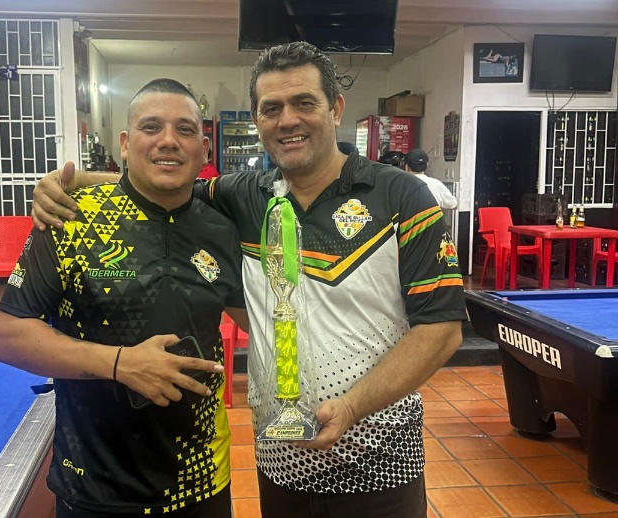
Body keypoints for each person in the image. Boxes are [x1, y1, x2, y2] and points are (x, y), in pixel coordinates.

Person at [31, 41, 466, 518]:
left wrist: (350, 407)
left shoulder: (402, 196)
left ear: (335, 108)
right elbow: (166, 182)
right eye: (271, 108)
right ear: (258, 120)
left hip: (381, 460)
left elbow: (442, 329)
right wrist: (69, 182)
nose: (287, 120)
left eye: (304, 102)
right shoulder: (244, 195)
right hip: (282, 461)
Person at [0, 78, 248, 518]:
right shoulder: (72, 216)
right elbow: (8, 338)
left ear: (204, 150)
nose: (169, 140)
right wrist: (120, 364)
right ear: (126, 144)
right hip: (93, 486)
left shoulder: (223, 229)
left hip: (202, 482)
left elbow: (260, 322)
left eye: (185, 129)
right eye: (152, 127)